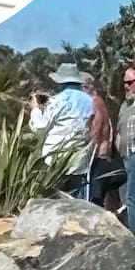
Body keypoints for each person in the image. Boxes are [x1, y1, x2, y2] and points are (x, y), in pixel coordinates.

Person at [29, 63, 94, 199]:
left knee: (56, 202)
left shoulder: (56, 101)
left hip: (55, 160)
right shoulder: (89, 101)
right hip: (79, 160)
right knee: (77, 202)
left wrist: (35, 108)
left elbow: (40, 127)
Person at [83, 73, 126, 209]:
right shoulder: (96, 102)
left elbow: (96, 131)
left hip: (99, 159)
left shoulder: (95, 102)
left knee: (95, 201)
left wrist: (87, 149)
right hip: (97, 158)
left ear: (87, 86)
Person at [118, 67, 135, 229]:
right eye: (125, 83)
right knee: (127, 199)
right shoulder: (125, 106)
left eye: (129, 83)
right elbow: (119, 130)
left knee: (131, 198)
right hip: (126, 158)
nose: (126, 86)